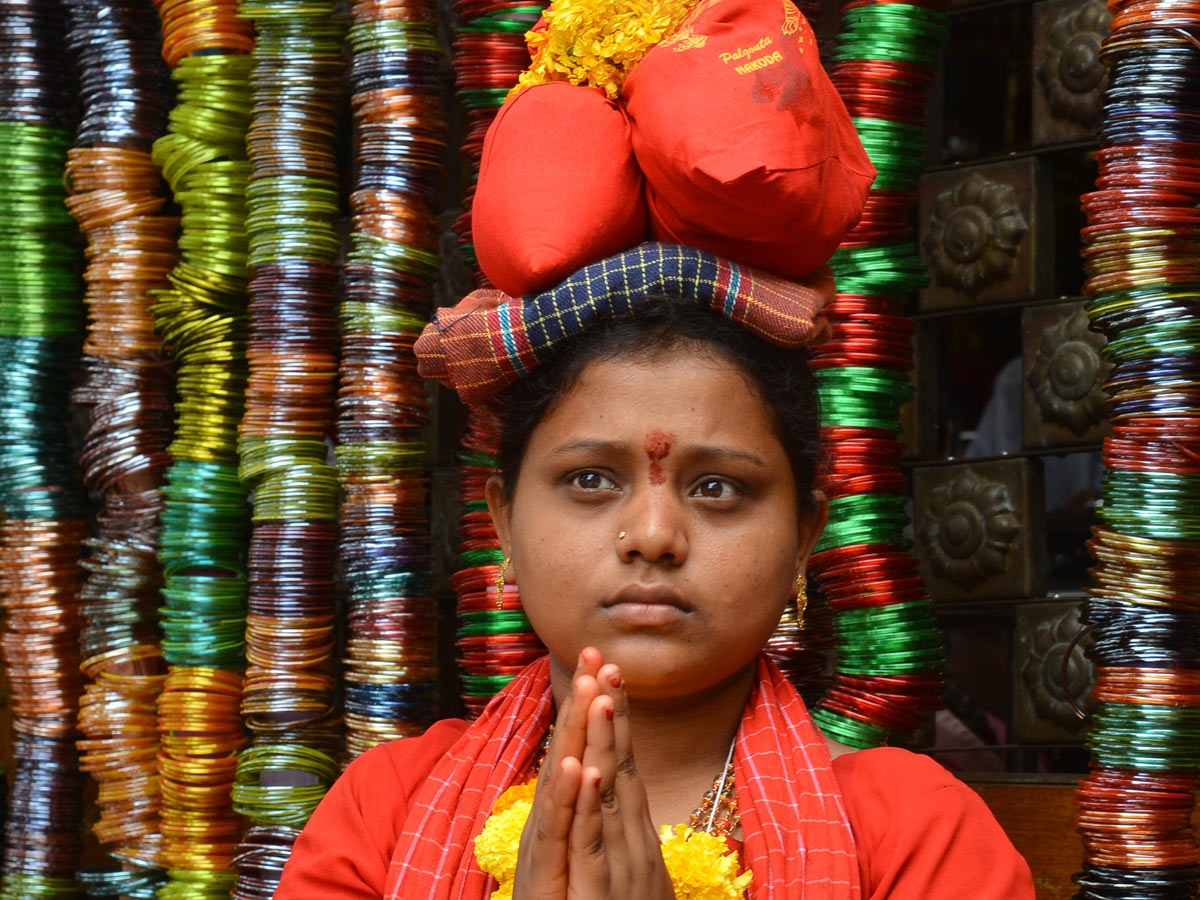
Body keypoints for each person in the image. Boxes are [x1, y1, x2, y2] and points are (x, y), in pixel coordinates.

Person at [273, 246, 1036, 900]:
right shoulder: (383, 813)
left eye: (719, 489)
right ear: (503, 520)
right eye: (591, 481)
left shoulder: (915, 840)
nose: (653, 536)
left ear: (805, 536)